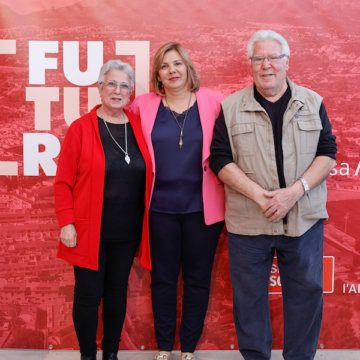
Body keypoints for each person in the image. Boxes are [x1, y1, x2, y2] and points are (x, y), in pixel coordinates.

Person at [209, 30, 337, 360]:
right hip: (249, 223)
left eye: (273, 57)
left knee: (306, 294)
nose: (266, 65)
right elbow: (220, 159)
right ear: (250, 64)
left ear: (286, 61)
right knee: (249, 298)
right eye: (258, 58)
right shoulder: (230, 107)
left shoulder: (313, 102)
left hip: (303, 220)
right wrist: (261, 196)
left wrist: (294, 193)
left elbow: (327, 152)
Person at [131, 42, 225, 360]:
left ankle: (187, 348)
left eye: (178, 64)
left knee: (198, 280)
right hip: (159, 210)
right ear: (157, 74)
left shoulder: (214, 102)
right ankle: (163, 347)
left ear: (188, 68)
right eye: (165, 65)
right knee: (163, 281)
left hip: (203, 209)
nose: (172, 70)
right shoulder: (142, 105)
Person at [54, 60, 152, 360]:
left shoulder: (137, 126)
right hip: (88, 229)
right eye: (111, 83)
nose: (118, 90)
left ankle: (111, 353)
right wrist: (66, 222)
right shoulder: (81, 128)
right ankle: (87, 355)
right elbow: (62, 182)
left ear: (131, 92)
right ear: (99, 87)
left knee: (116, 293)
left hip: (127, 231)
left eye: (124, 85)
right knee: (87, 295)